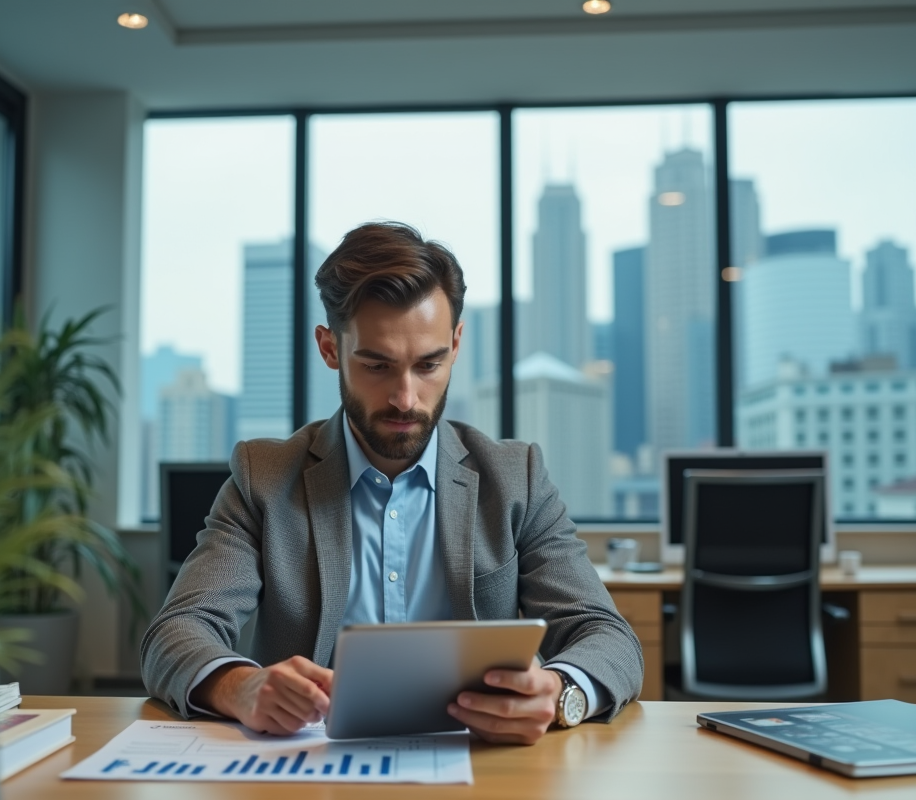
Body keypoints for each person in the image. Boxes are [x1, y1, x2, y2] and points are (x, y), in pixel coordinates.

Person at [141, 222, 643, 745]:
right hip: (308, 770)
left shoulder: (516, 478)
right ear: (330, 348)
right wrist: (240, 687)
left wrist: (563, 692)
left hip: (484, 769)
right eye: (377, 365)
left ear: (456, 343)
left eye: (429, 365)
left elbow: (609, 637)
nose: (406, 397)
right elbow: (176, 632)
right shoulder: (264, 478)